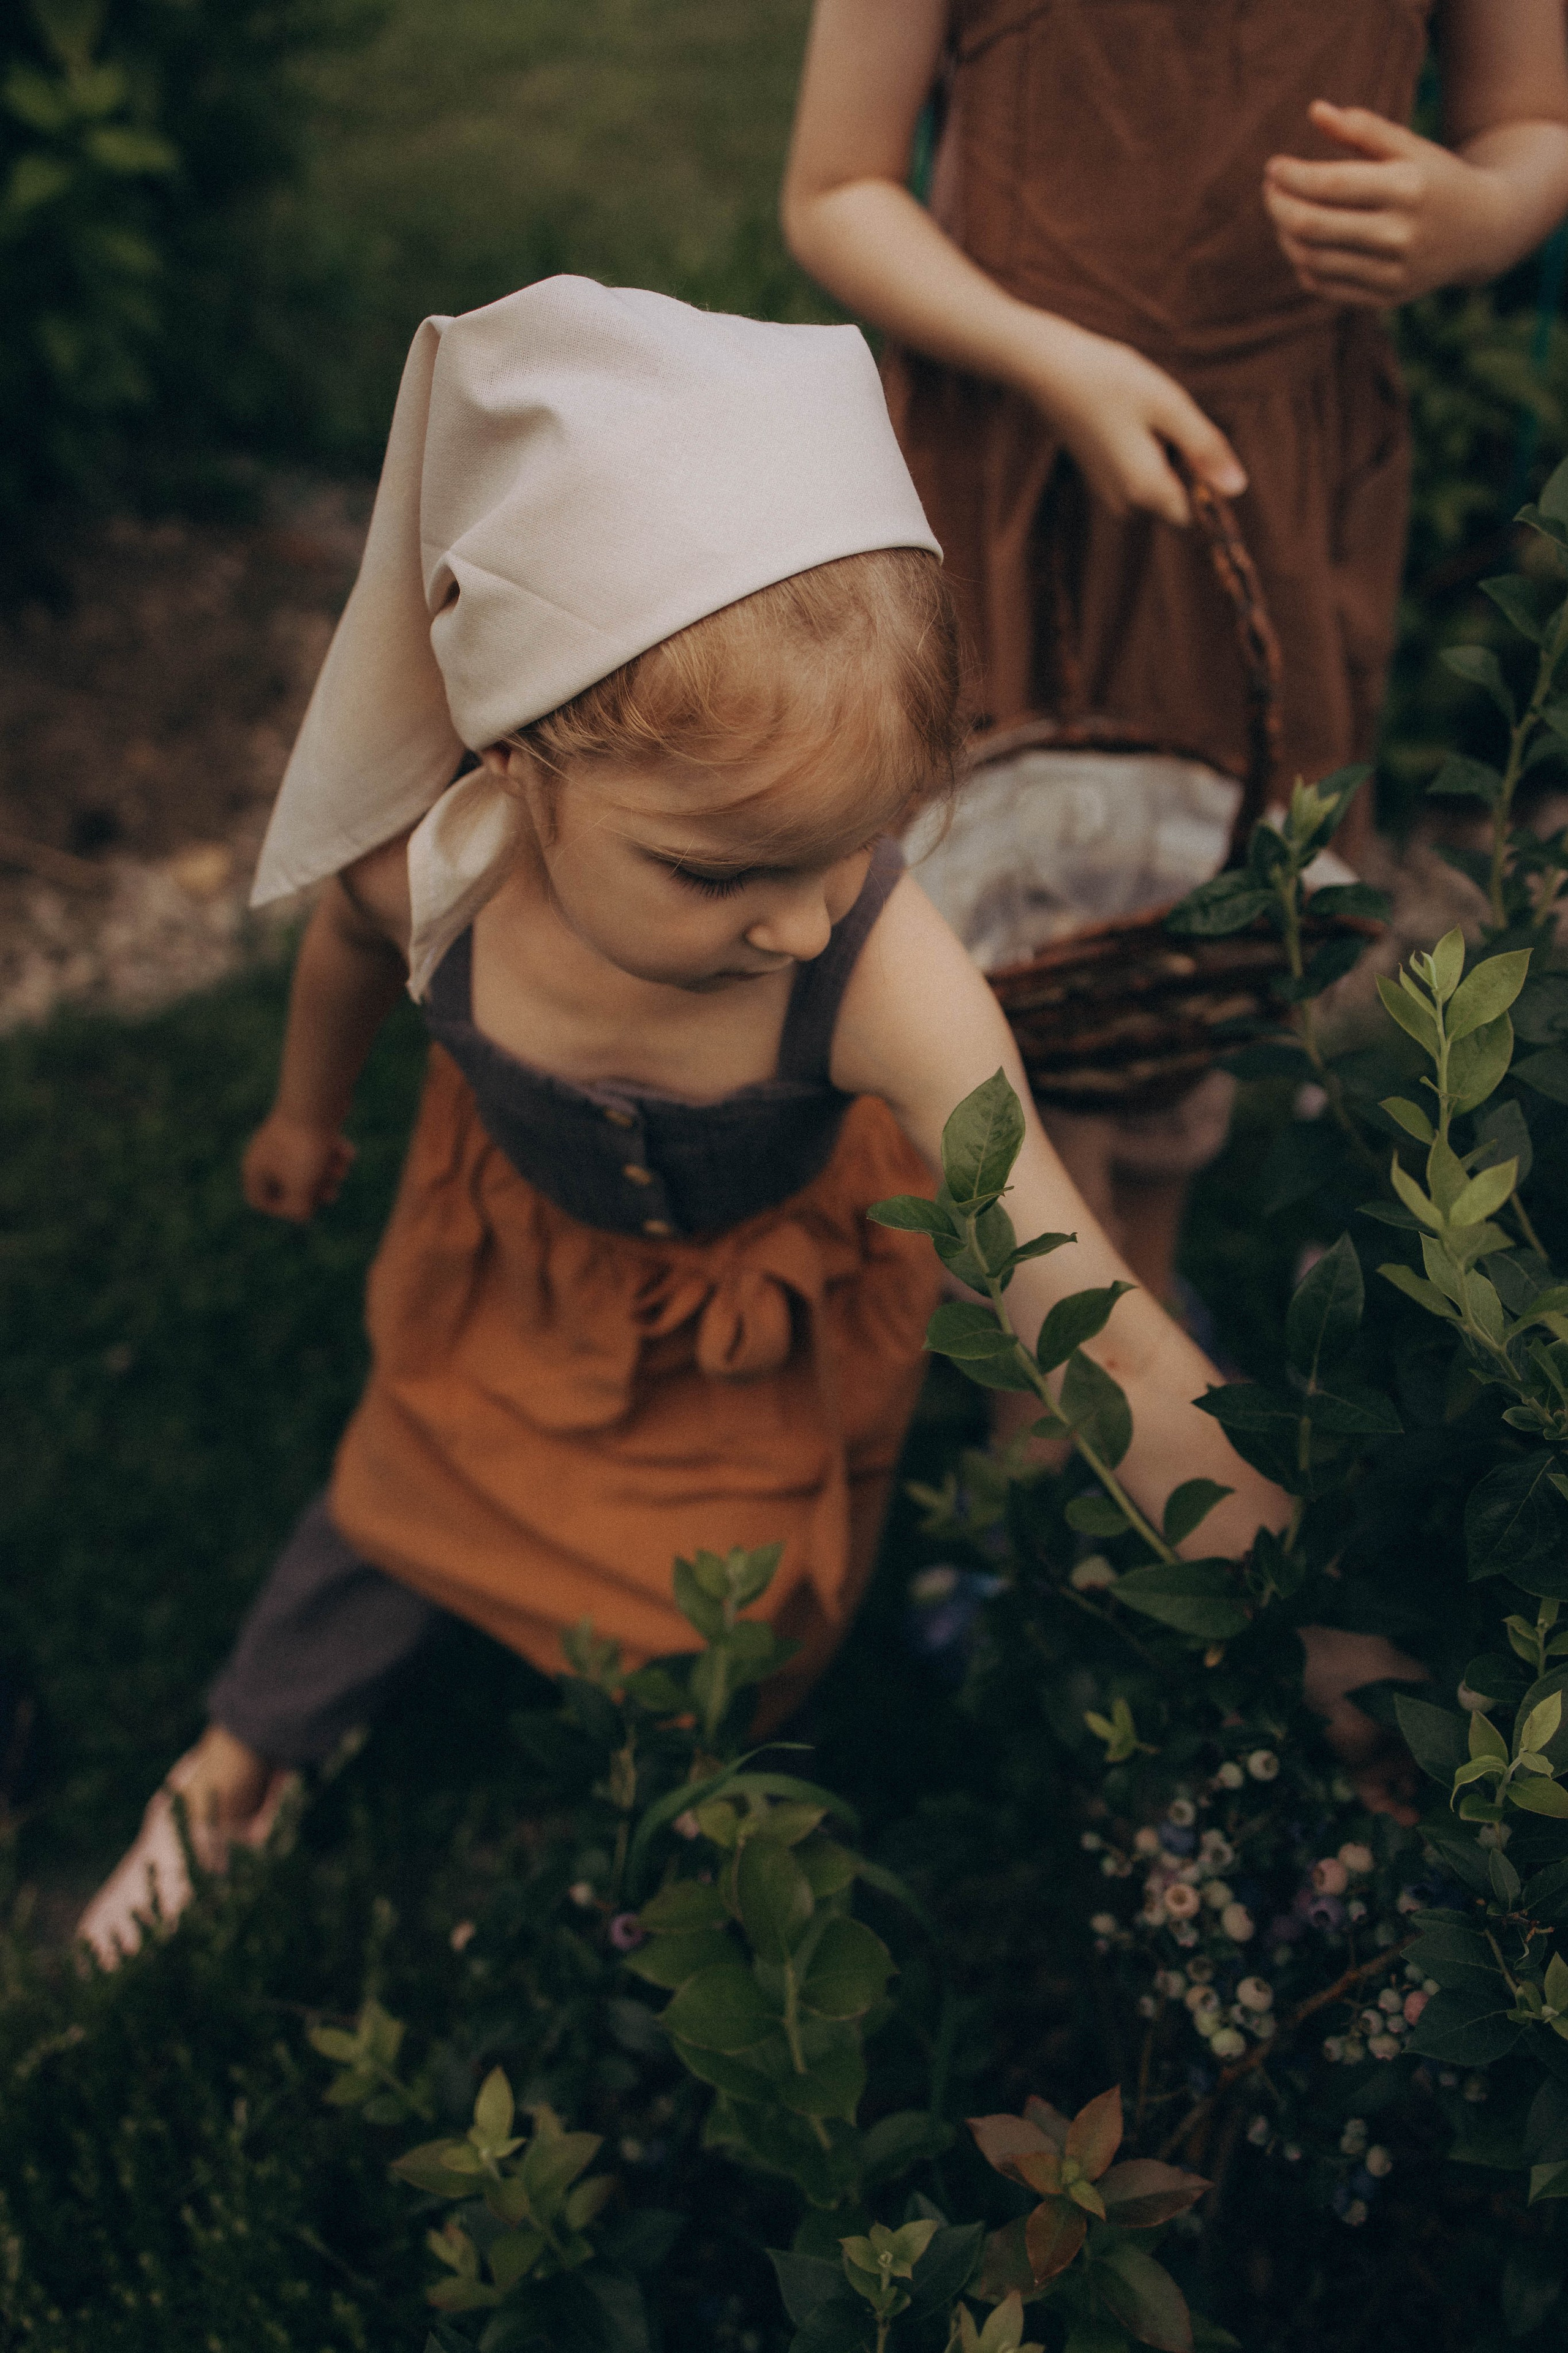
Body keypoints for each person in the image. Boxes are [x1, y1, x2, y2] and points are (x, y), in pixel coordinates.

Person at [77, 278, 1286, 1964]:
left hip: (755, 1336)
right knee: (401, 1487)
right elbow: (345, 954)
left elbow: (1104, 1329)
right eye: (721, 872)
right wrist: (303, 1114)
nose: (799, 922)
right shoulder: (426, 874)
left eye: (854, 847)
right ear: (519, 763)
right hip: (510, 1275)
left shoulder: (881, 979)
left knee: (727, 1603)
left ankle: (692, 1809)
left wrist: (1299, 1606)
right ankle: (239, 1764)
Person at [781, 0, 1568, 1304]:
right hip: (1010, 445)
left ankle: (1138, 1265)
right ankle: (1039, 1335)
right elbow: (835, 189)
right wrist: (1052, 360)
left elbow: (1530, 120)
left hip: (1271, 472)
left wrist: (1477, 214)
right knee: (984, 890)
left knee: (1211, 896)